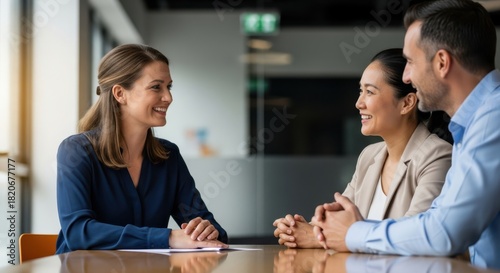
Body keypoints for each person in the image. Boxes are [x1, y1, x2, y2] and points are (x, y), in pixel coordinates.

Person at [310, 0, 500, 269]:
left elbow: (445, 233)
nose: (407, 76)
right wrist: (334, 230)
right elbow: (436, 219)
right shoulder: (470, 126)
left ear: (442, 62)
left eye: (410, 62)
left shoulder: (493, 120)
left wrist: (353, 233)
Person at [55, 44, 228, 253]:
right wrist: (168, 237)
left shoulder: (168, 156)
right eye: (156, 87)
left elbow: (214, 231)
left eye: (169, 87)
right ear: (120, 94)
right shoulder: (76, 151)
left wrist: (206, 231)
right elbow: (78, 233)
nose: (168, 97)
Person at [273, 48, 452, 248]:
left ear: (407, 103)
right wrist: (299, 229)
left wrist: (316, 237)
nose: (359, 103)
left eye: (370, 92)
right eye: (361, 91)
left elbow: (415, 236)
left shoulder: (438, 156)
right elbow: (335, 224)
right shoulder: (369, 156)